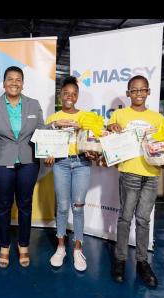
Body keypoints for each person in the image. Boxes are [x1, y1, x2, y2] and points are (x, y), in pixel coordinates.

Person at [0, 66, 45, 268]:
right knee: (4, 205)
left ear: (23, 83)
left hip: (28, 161)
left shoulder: (34, 105)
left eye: (18, 79)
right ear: (3, 82)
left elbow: (41, 131)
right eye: (10, 79)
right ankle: (5, 246)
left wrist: (51, 146)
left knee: (25, 205)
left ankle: (23, 246)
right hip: (1, 161)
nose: (14, 83)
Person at [107, 75, 163, 288]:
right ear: (128, 93)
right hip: (129, 171)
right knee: (125, 217)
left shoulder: (157, 118)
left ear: (148, 92)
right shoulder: (119, 114)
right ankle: (120, 259)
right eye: (134, 90)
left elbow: (162, 145)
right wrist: (112, 129)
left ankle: (142, 261)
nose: (138, 93)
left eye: (142, 90)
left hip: (151, 173)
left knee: (143, 220)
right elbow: (109, 137)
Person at [44, 76, 102, 272]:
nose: (69, 97)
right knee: (61, 207)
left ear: (77, 96)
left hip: (81, 164)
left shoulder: (86, 117)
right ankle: (61, 247)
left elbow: (96, 140)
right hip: (60, 164)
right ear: (60, 95)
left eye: (73, 94)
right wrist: (48, 154)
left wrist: (92, 145)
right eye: (66, 93)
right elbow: (45, 144)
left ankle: (78, 248)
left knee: (77, 207)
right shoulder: (53, 118)